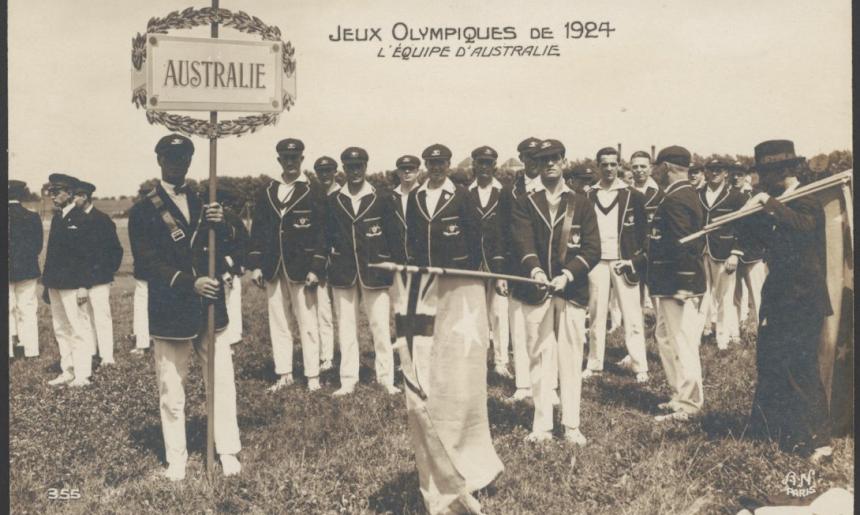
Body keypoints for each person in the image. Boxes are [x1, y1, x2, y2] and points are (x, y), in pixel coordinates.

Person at [128, 134, 242, 480]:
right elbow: (146, 263)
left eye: (184, 157)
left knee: (221, 382)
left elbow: (231, 244)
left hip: (210, 306)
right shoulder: (144, 209)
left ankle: (227, 451)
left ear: (191, 161)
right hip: (171, 308)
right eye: (171, 157)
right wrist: (187, 281)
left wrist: (223, 223)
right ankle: (176, 457)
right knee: (171, 387)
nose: (178, 163)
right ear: (159, 159)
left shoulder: (205, 200)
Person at [401, 143, 502, 514]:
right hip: (427, 288)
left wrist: (472, 280)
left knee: (456, 364)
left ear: (449, 165)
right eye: (432, 163)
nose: (437, 168)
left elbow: (477, 241)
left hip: (458, 285)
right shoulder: (416, 198)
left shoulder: (460, 196)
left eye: (442, 163)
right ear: (426, 166)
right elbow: (411, 239)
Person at [741, 140, 832, 462]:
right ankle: (774, 428)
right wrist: (748, 214)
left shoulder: (807, 197)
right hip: (779, 296)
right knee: (771, 362)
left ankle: (820, 442)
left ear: (784, 170)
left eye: (766, 174)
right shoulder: (777, 201)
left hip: (804, 299)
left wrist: (770, 204)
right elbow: (759, 241)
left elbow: (804, 227)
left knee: (802, 367)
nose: (761, 181)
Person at [511, 138, 601, 444]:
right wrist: (535, 271)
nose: (549, 163)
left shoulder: (582, 203)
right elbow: (522, 243)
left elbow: (592, 249)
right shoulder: (526, 201)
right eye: (543, 158)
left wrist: (566, 275)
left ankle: (572, 425)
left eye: (555, 158)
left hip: (571, 291)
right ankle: (542, 426)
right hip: (536, 292)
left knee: (571, 358)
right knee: (539, 357)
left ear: (564, 161)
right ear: (535, 163)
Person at [248, 138, 326, 393]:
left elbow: (323, 233)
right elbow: (258, 230)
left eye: (295, 158)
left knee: (308, 321)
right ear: (279, 160)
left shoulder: (313, 190)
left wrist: (316, 267)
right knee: (279, 321)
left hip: (302, 268)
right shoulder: (268, 190)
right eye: (285, 158)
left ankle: (313, 375)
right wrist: (257, 264)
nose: (290, 162)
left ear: (302, 159)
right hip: (273, 266)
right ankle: (284, 373)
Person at [326, 147, 405, 396]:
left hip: (375, 272)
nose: (355, 171)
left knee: (380, 326)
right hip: (343, 273)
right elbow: (325, 236)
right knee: (346, 327)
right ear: (344, 170)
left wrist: (398, 265)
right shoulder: (334, 200)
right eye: (350, 167)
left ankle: (386, 379)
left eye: (359, 166)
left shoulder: (382, 198)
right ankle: (348, 379)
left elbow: (394, 236)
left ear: (366, 167)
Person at [646, 146, 706, 422]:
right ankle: (678, 393)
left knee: (682, 341)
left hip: (678, 283)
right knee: (665, 337)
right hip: (667, 282)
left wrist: (684, 284)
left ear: (667, 167)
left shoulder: (679, 198)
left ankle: (690, 403)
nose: (656, 172)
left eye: (659, 167)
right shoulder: (682, 194)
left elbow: (686, 244)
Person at [583, 147, 650, 383]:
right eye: (605, 164)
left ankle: (640, 365)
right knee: (596, 314)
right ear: (598, 166)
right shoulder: (589, 195)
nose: (609, 169)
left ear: (619, 165)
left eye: (613, 164)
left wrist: (634, 260)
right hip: (597, 262)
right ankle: (594, 363)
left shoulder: (633, 195)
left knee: (632, 315)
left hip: (623, 262)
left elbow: (645, 235)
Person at [498, 137, 557, 402]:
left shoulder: (552, 188)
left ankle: (550, 385)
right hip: (515, 268)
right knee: (518, 326)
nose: (533, 162)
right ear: (521, 159)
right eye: (528, 157)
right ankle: (523, 384)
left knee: (546, 328)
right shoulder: (509, 190)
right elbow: (499, 232)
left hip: (545, 267)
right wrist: (500, 272)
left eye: (538, 157)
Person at [42, 173, 94, 387]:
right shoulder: (58, 218)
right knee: (61, 327)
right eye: (51, 192)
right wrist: (46, 284)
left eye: (57, 192)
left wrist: (84, 285)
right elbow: (52, 254)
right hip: (55, 283)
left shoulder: (82, 218)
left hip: (74, 284)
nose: (52, 196)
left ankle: (83, 375)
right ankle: (68, 370)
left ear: (70, 193)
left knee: (78, 327)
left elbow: (88, 256)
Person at [468, 146, 510, 378]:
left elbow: (507, 232)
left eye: (488, 162)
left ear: (495, 165)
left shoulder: (505, 192)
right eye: (480, 162)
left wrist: (503, 268)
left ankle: (501, 362)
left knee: (499, 314)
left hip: (498, 263)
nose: (484, 167)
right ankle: (477, 361)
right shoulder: (464, 193)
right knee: (475, 314)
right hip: (473, 263)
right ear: (473, 164)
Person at [697, 158, 747, 349]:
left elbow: (743, 227)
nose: (715, 173)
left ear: (726, 173)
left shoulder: (735, 196)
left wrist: (735, 253)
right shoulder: (698, 193)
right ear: (706, 172)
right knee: (702, 295)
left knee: (725, 297)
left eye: (719, 169)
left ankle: (723, 340)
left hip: (725, 252)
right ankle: (700, 333)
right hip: (702, 251)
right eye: (711, 169)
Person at [73, 180, 123, 365]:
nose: (74, 199)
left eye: (76, 195)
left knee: (102, 316)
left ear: (85, 196)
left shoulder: (102, 219)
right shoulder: (74, 218)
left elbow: (115, 250)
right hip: (80, 280)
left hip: (99, 278)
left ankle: (107, 356)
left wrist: (107, 272)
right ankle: (90, 351)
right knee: (84, 317)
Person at [8, 180, 43, 358]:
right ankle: (31, 350)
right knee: (28, 310)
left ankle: (8, 352)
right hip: (27, 269)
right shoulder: (32, 216)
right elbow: (38, 246)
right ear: (21, 195)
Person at [313, 156, 339, 371]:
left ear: (335, 171)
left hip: (342, 260)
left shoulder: (343, 194)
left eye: (328, 170)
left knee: (346, 311)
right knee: (323, 309)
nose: (325, 175)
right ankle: (326, 357)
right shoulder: (313, 194)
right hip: (321, 259)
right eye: (321, 171)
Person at [216, 186, 249, 348]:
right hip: (221, 263)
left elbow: (243, 240)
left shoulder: (231, 217)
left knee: (232, 299)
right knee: (228, 299)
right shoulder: (210, 217)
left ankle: (233, 335)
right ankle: (230, 335)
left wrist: (240, 262)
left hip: (231, 263)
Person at [630, 150, 663, 310]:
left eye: (643, 166)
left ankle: (660, 328)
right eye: (635, 167)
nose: (639, 170)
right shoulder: (626, 192)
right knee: (633, 290)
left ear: (650, 168)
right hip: (633, 249)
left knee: (656, 291)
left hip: (655, 248)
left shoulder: (660, 192)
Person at [130, 188, 153, 356]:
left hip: (145, 268)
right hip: (152, 268)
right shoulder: (161, 211)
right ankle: (144, 340)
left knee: (142, 306)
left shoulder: (138, 211)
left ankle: (142, 342)